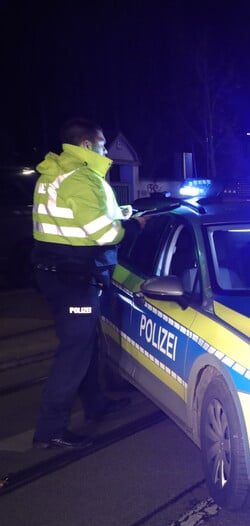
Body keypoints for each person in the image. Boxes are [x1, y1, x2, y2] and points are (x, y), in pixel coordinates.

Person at [31, 118, 146, 449]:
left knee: (87, 343)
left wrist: (126, 213)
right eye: (101, 143)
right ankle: (50, 430)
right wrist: (133, 228)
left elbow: (83, 218)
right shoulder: (82, 179)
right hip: (74, 277)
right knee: (75, 350)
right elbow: (104, 233)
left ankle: (96, 404)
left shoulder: (56, 174)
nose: (105, 149)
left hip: (57, 271)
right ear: (86, 145)